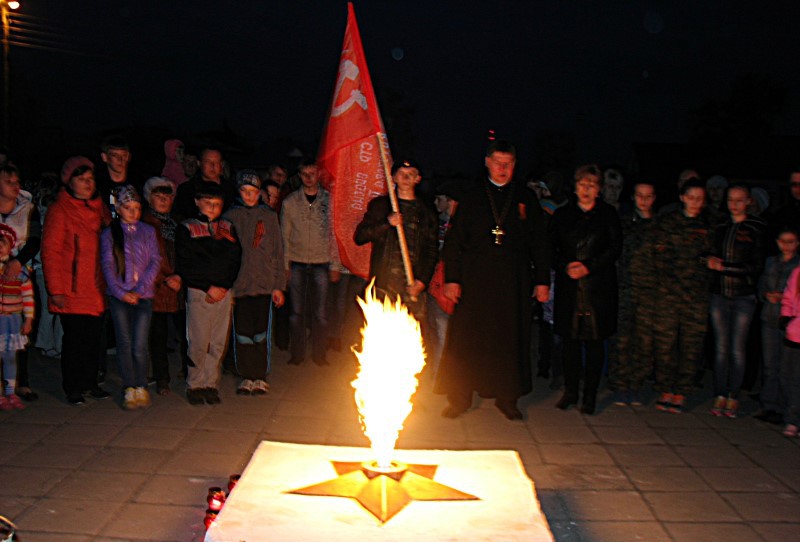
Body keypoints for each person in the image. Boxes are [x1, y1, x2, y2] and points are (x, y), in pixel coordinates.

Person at [434, 140, 550, 420]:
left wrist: (542, 280)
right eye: (498, 162)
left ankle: (508, 397)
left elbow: (540, 242)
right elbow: (454, 241)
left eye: (508, 163)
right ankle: (460, 397)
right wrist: (452, 279)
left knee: (510, 339)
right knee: (467, 339)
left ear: (515, 165)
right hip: (474, 280)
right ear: (487, 162)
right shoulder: (472, 196)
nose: (503, 168)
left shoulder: (525, 197)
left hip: (514, 281)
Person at [550, 164, 622, 415]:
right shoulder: (562, 215)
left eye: (591, 185)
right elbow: (550, 247)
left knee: (594, 344)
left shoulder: (608, 215)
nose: (586, 189)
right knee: (569, 343)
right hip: (569, 287)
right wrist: (565, 266)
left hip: (597, 289)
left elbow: (614, 249)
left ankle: (590, 395)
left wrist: (589, 266)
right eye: (582, 184)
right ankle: (570, 391)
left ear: (599, 189)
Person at [41, 157, 110, 405]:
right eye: (81, 179)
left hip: (96, 287)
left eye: (90, 179)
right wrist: (56, 290)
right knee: (74, 341)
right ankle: (73, 386)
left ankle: (91, 382)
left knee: (93, 340)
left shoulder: (101, 209)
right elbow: (51, 252)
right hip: (72, 288)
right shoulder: (60, 210)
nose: (88, 184)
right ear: (69, 182)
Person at [176, 183, 241, 405]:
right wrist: (207, 286)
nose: (213, 208)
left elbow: (235, 259)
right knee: (199, 341)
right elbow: (186, 263)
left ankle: (211, 383)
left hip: (223, 292)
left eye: (217, 204)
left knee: (218, 341)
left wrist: (225, 285)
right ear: (197, 202)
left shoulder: (227, 227)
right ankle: (195, 383)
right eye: (208, 203)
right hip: (199, 291)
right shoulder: (187, 228)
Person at [651, 179, 712, 413]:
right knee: (666, 344)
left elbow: (713, 256)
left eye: (700, 198)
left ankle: (682, 390)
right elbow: (659, 256)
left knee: (691, 345)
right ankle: (665, 388)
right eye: (691, 197)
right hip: (669, 295)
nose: (695, 202)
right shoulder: (668, 223)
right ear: (682, 197)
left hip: (696, 296)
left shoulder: (710, 224)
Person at [224, 170, 286, 395]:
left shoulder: (268, 216)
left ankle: (260, 375)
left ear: (260, 193)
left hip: (264, 284)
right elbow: (225, 254)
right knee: (242, 332)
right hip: (240, 285)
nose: (249, 196)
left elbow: (278, 251)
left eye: (253, 191)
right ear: (239, 192)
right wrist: (227, 287)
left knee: (261, 332)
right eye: (245, 191)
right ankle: (245, 374)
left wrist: (278, 285)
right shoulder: (230, 217)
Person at [708, 185, 767, 418]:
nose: (734, 204)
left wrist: (726, 268)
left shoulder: (756, 228)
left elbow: (756, 265)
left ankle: (733, 395)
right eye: (731, 200)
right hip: (719, 294)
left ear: (749, 201)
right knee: (721, 348)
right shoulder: (721, 226)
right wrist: (708, 260)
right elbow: (707, 251)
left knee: (737, 349)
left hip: (743, 296)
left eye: (739, 200)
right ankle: (720, 393)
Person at [100, 186, 161, 410]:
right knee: (124, 342)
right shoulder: (109, 234)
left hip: (143, 296)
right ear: (118, 208)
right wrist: (121, 292)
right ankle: (129, 385)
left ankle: (141, 383)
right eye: (128, 208)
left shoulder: (148, 231)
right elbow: (108, 265)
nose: (133, 212)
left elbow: (155, 260)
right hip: (119, 297)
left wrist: (140, 289)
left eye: (137, 208)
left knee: (139, 343)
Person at [354, 159, 438, 321]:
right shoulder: (381, 206)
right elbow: (360, 237)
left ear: (418, 179)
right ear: (393, 178)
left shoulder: (426, 212)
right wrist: (386, 223)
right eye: (401, 173)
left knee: (410, 330)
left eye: (411, 174)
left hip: (411, 286)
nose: (406, 178)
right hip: (384, 285)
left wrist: (422, 281)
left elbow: (431, 251)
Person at [281, 159, 340, 366]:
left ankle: (319, 354)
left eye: (312, 173)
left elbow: (334, 234)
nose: (308, 178)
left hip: (321, 261)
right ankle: (297, 353)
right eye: (304, 174)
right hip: (297, 261)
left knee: (320, 313)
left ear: (319, 174)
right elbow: (285, 236)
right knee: (296, 313)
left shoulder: (329, 201)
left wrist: (335, 264)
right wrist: (286, 265)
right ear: (299, 175)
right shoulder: (290, 202)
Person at [609, 182, 657, 406]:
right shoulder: (624, 223)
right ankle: (620, 385)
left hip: (650, 293)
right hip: (624, 289)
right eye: (639, 195)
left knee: (644, 342)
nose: (644, 200)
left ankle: (636, 385)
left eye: (648, 196)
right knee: (621, 340)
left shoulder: (660, 226)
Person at [0, 164, 41, 401]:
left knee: (19, 330)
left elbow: (34, 240)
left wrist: (17, 262)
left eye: (17, 182)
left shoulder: (28, 209)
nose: (15, 186)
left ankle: (22, 382)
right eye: (9, 182)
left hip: (20, 274)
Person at [141, 176, 184, 395]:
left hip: (178, 288)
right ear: (149, 198)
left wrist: (180, 276)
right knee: (157, 337)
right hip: (156, 289)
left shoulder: (177, 224)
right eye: (158, 196)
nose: (163, 200)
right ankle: (162, 379)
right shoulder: (144, 225)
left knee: (186, 334)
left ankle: (188, 372)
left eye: (167, 196)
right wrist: (164, 279)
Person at [756, 229, 800, 424]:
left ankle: (785, 407)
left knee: (786, 368)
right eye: (783, 241)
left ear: (797, 244)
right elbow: (761, 284)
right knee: (769, 365)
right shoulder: (771, 262)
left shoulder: (798, 265)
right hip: (769, 316)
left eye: (791, 241)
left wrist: (783, 298)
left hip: (789, 322)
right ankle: (768, 405)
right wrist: (766, 295)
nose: (786, 245)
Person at [0, 224, 33, 410]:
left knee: (10, 357)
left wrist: (28, 319)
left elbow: (27, 297)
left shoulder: (20, 272)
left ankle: (10, 391)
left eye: (3, 243)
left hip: (13, 320)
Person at [173, 147, 237, 220]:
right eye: (208, 161)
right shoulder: (186, 190)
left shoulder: (231, 190)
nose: (212, 166)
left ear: (222, 164)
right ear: (199, 163)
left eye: (216, 162)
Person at [779, 265, 800, 437]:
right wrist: (786, 317)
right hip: (794, 334)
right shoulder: (798, 272)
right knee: (787, 376)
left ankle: (794, 420)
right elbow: (789, 295)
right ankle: (791, 418)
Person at [96, 135, 135, 219]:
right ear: (104, 157)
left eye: (123, 155)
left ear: (128, 156)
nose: (120, 159)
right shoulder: (98, 188)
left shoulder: (138, 184)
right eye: (114, 155)